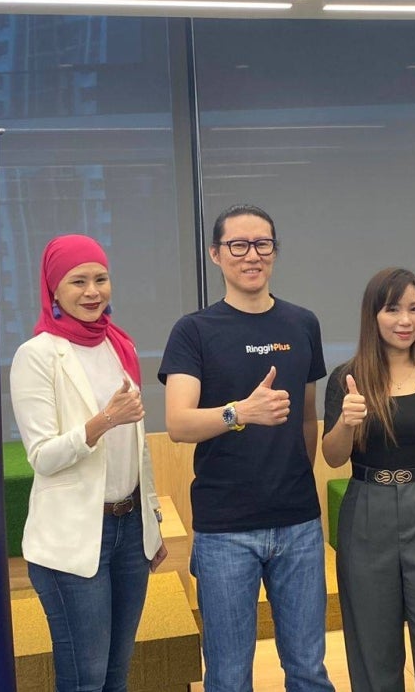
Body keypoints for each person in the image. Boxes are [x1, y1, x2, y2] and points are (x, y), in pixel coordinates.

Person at [158, 204, 334, 692]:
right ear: (216, 254)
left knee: (308, 670)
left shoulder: (302, 323)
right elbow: (178, 423)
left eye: (262, 244)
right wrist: (240, 413)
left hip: (298, 524)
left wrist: (292, 477)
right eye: (238, 245)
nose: (251, 255)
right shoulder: (194, 331)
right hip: (225, 531)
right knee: (230, 676)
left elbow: (306, 418)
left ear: (275, 252)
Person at [10, 233, 168, 692]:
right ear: (52, 290)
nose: (92, 291)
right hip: (76, 538)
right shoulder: (36, 355)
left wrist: (152, 522)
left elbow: (137, 449)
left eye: (101, 278)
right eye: (78, 281)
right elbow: (42, 456)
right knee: (86, 678)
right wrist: (101, 422)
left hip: (130, 528)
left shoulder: (118, 345)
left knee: (117, 674)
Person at [322, 267, 415, 692]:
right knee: (373, 648)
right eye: (393, 309)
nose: (405, 320)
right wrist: (346, 423)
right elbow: (333, 457)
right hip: (366, 509)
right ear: (373, 315)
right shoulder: (346, 378)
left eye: (414, 309)